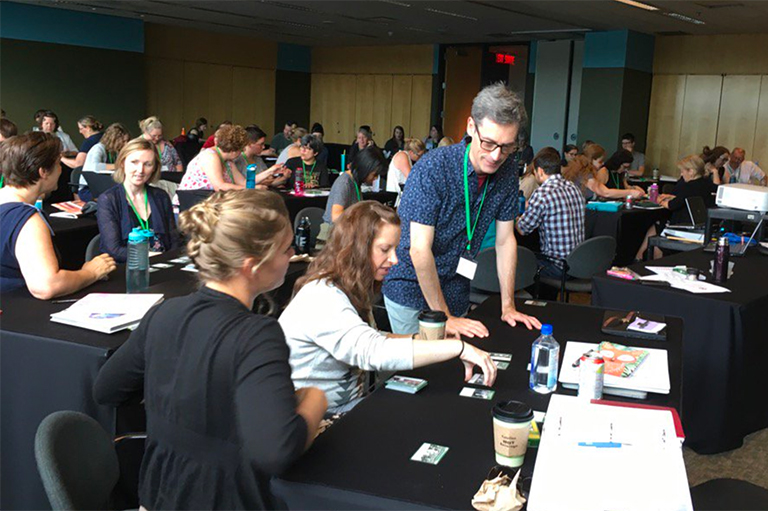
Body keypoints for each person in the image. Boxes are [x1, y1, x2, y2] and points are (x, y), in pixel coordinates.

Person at [93, 190, 327, 510]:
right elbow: (276, 451)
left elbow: (107, 388)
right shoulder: (257, 335)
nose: (291, 256)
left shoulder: (163, 314)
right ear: (252, 266)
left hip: (156, 496)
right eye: (287, 249)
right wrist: (315, 399)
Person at [281, 201, 497, 414]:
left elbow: (372, 337)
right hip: (317, 420)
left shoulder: (347, 288)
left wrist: (424, 341)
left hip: (343, 407)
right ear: (356, 248)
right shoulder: (322, 297)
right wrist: (458, 348)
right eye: (385, 249)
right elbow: (372, 351)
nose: (394, 259)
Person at [382, 83, 541, 337]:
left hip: (457, 286)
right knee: (418, 371)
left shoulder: (508, 170)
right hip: (411, 287)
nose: (496, 156)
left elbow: (505, 240)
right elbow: (419, 248)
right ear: (470, 127)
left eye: (507, 146)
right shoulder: (434, 167)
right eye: (488, 143)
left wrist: (508, 305)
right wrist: (444, 317)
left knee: (456, 369)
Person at [0, 132, 116, 297]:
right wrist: (91, 272)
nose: (61, 169)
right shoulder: (26, 220)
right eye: (57, 163)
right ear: (43, 172)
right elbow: (46, 286)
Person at [97, 138, 179, 263]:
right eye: (134, 162)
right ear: (122, 163)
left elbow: (174, 241)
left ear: (154, 168)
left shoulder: (161, 196)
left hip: (163, 266)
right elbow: (113, 249)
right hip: (127, 270)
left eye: (148, 164)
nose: (140, 170)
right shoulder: (108, 199)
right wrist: (152, 257)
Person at [516, 147, 585, 281]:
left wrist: (515, 217)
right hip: (578, 264)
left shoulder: (543, 193)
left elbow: (522, 229)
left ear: (540, 171)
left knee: (518, 259)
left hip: (556, 265)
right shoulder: (573, 187)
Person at [637, 155, 718, 260]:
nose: (681, 174)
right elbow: (686, 198)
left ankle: (641, 257)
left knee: (658, 227)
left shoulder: (688, 186)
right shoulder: (706, 183)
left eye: (683, 171)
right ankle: (639, 256)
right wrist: (671, 197)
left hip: (683, 226)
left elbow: (671, 205)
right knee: (658, 225)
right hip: (702, 226)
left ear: (691, 171)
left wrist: (657, 199)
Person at [176, 124, 249, 195]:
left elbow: (243, 182)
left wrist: (256, 186)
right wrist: (249, 189)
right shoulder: (210, 156)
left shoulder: (227, 161)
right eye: (241, 150)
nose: (241, 153)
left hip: (207, 200)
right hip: (195, 202)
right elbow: (220, 187)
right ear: (234, 150)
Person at [563, 144, 644, 201]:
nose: (602, 164)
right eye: (600, 161)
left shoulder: (581, 170)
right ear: (591, 160)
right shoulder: (585, 174)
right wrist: (630, 192)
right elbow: (605, 192)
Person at [79, 123, 131, 202]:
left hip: (104, 187)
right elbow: (96, 167)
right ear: (114, 139)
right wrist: (117, 166)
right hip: (88, 189)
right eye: (123, 141)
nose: (126, 144)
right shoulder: (98, 148)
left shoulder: (115, 151)